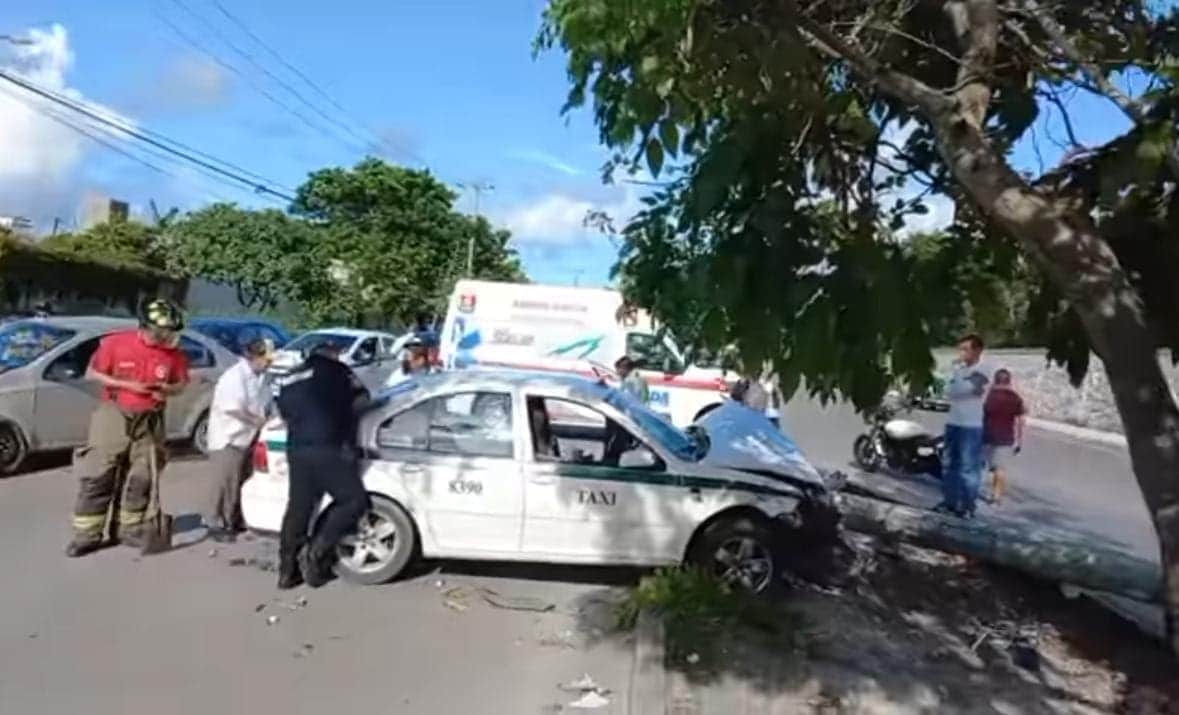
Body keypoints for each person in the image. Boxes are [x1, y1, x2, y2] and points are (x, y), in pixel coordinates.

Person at [66, 298, 190, 557]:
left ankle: (128, 528)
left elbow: (181, 384)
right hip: (115, 412)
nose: (166, 337)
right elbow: (92, 373)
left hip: (151, 418)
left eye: (169, 332)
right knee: (99, 472)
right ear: (145, 327)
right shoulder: (116, 344)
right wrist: (128, 386)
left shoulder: (174, 355)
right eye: (162, 332)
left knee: (142, 475)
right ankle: (87, 534)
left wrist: (167, 390)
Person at [274, 342, 371, 590]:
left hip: (297, 449)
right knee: (353, 501)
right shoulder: (337, 371)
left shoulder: (288, 377)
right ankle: (316, 551)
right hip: (328, 448)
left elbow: (282, 411)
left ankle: (286, 572)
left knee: (299, 508)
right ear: (332, 355)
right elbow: (362, 400)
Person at [203, 338, 275, 543]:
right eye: (265, 359)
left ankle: (233, 520)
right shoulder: (234, 377)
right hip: (228, 437)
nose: (268, 363)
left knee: (241, 482)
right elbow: (232, 408)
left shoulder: (261, 376)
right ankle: (214, 523)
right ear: (253, 357)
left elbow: (265, 402)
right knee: (224, 483)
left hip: (248, 436)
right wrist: (257, 421)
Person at [939, 333, 990, 518]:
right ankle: (950, 502)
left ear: (977, 350)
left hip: (972, 425)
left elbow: (971, 390)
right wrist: (958, 384)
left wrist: (958, 385)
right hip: (954, 422)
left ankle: (968, 506)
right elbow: (948, 392)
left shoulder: (984, 369)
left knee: (968, 467)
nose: (961, 353)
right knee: (949, 464)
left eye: (965, 349)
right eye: (959, 349)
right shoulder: (959, 370)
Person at [983, 368, 1026, 506]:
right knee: (1000, 468)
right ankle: (996, 496)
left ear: (995, 380)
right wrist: (1019, 441)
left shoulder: (989, 396)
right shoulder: (1016, 398)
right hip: (1006, 437)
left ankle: (988, 494)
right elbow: (1020, 421)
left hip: (987, 435)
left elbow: (980, 415)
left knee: (989, 467)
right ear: (1009, 381)